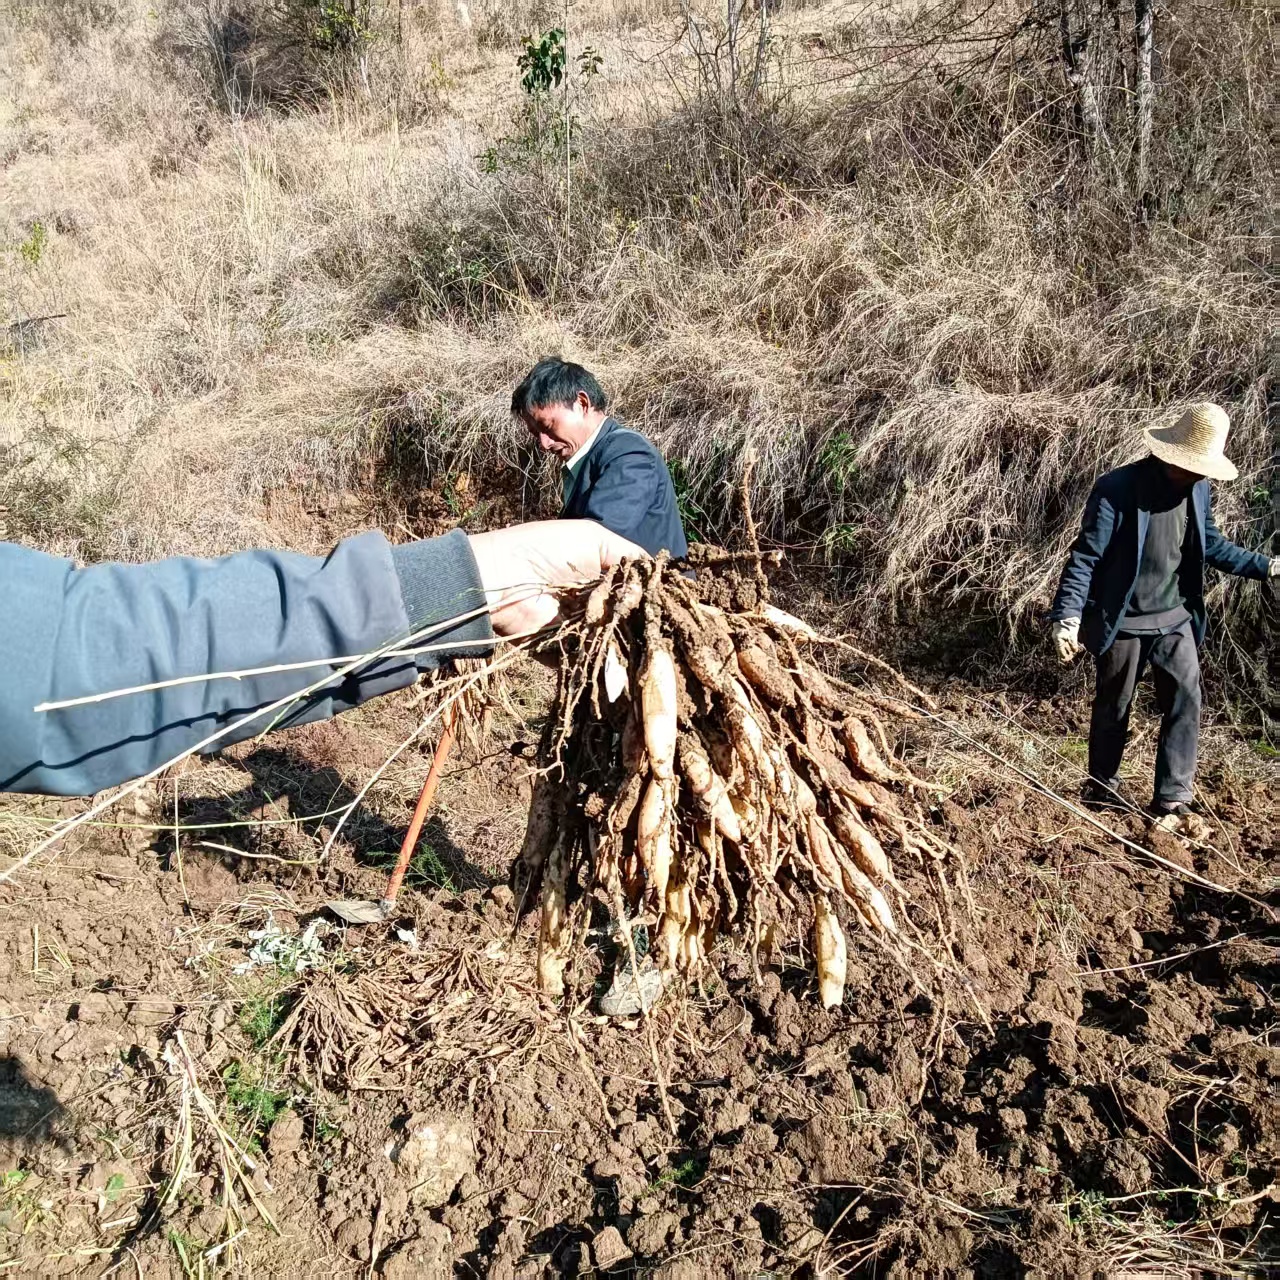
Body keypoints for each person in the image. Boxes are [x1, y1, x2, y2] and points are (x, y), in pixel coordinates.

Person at [1, 520, 642, 796]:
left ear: (583, 404)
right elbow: (67, 657)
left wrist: (475, 581)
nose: (541, 440)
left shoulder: (626, 464)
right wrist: (466, 582)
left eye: (546, 425)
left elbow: (64, 655)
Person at [1049, 403, 1278, 827]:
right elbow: (1085, 557)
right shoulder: (1117, 489)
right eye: (1192, 466)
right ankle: (1101, 788)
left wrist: (1267, 566)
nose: (1197, 474)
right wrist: (1068, 617)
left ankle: (1172, 798)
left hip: (1175, 616)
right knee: (1114, 706)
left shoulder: (1198, 488)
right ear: (1171, 453)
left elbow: (1211, 544)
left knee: (1186, 699)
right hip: (1124, 622)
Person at [511, 357, 689, 558]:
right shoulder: (596, 457)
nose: (544, 444)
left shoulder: (629, 453)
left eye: (547, 426)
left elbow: (598, 539)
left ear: (582, 403)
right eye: (536, 434)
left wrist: (515, 546)